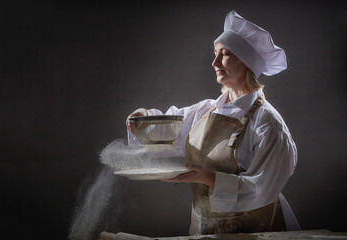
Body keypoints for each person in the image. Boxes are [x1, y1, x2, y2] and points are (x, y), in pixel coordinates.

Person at [126, 10, 300, 235]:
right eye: (215, 53)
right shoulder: (207, 110)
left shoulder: (268, 123)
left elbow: (262, 187)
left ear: (247, 64)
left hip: (257, 230)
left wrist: (208, 178)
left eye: (225, 54)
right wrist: (143, 118)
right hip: (205, 228)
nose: (214, 61)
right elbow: (170, 128)